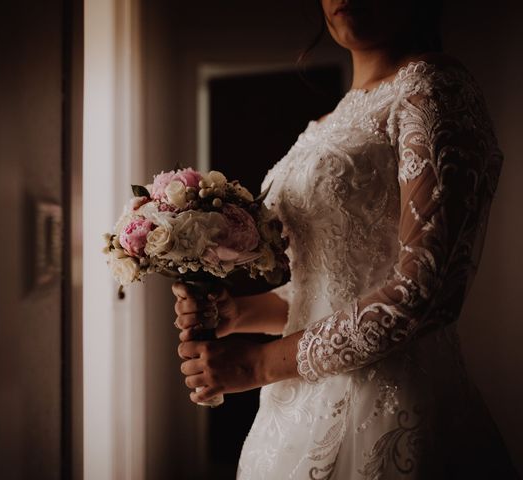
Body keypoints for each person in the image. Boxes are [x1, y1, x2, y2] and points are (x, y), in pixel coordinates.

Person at [172, 0, 519, 478]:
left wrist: (257, 366)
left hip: (387, 406)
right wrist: (240, 313)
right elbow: (330, 289)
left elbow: (426, 291)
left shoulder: (431, 88)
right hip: (294, 408)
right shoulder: (331, 120)